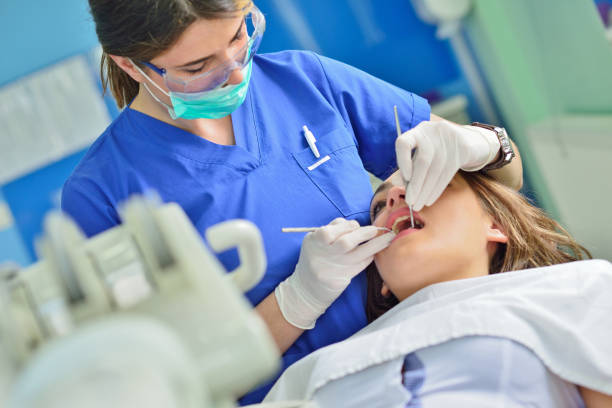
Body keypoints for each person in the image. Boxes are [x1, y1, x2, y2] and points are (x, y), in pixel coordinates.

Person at [61, 1, 523, 402]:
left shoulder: (305, 80)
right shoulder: (103, 192)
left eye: (240, 36)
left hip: (427, 363)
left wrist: (480, 144)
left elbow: (503, 185)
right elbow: (169, 382)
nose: (238, 72)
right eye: (198, 67)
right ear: (130, 66)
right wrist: (295, 302)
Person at [264, 169, 612, 407]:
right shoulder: (311, 370)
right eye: (378, 208)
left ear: (496, 225)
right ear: (381, 278)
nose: (394, 198)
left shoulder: (575, 287)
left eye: (424, 184)